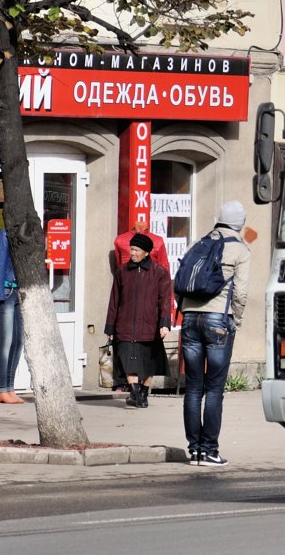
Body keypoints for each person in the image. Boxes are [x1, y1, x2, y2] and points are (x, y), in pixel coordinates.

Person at [180, 200, 251, 467]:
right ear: (239, 223)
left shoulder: (198, 243)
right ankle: (209, 450)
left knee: (193, 388)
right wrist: (237, 320)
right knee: (214, 389)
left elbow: (182, 280)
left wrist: (186, 311)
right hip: (218, 320)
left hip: (189, 318)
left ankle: (194, 450)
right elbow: (241, 294)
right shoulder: (240, 250)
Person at [104, 233, 172, 409]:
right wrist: (110, 327)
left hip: (150, 325)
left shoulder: (159, 273)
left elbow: (165, 300)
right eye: (131, 249)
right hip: (125, 325)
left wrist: (164, 323)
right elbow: (114, 301)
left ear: (147, 252)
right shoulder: (122, 272)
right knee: (127, 360)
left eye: (136, 250)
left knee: (150, 363)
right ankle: (134, 392)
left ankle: (143, 393)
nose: (132, 253)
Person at [0, 229, 25, 404]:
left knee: (19, 340)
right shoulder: (5, 235)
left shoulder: (26, 235)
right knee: (6, 340)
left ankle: (10, 388)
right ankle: (1, 389)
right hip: (6, 292)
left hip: (19, 292)